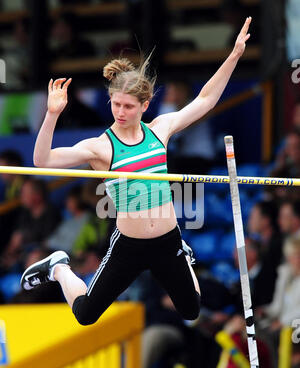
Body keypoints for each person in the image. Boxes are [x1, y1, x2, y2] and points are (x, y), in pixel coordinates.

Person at [20, 18, 252, 327]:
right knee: (86, 314)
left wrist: (234, 55)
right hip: (129, 245)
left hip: (167, 241)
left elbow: (206, 99)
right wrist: (52, 115)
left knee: (192, 310)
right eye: (116, 104)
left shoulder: (161, 129)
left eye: (128, 106)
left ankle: (184, 253)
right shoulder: (101, 147)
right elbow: (42, 160)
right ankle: (59, 267)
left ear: (145, 105)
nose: (120, 112)